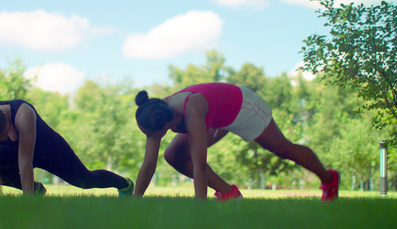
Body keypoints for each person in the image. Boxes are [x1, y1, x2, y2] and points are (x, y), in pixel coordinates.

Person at [133, 83, 339, 201]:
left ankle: (329, 179)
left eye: (150, 135)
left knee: (283, 149)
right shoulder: (156, 113)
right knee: (173, 156)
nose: (149, 138)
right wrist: (135, 202)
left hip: (243, 108)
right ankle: (229, 193)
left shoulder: (191, 112)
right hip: (215, 117)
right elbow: (149, 163)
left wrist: (199, 209)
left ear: (164, 124)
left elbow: (200, 165)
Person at [0, 99, 134, 196]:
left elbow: (25, 162)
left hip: (49, 149)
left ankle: (125, 184)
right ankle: (36, 190)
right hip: (16, 154)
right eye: (3, 138)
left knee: (85, 181)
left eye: (8, 129)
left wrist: (28, 204)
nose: (11, 136)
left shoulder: (22, 113)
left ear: (6, 116)